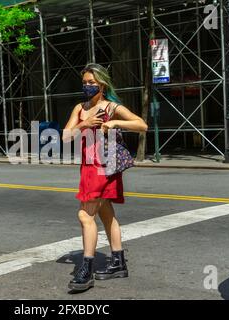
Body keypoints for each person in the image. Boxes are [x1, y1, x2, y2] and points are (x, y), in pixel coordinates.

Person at [62, 63, 148, 291]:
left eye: (92, 82)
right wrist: (84, 124)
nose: (88, 86)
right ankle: (118, 263)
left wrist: (115, 122)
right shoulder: (80, 109)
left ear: (102, 83)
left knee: (84, 215)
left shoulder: (111, 107)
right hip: (88, 166)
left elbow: (142, 125)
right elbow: (65, 137)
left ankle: (86, 269)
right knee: (106, 213)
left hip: (103, 166)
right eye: (85, 83)